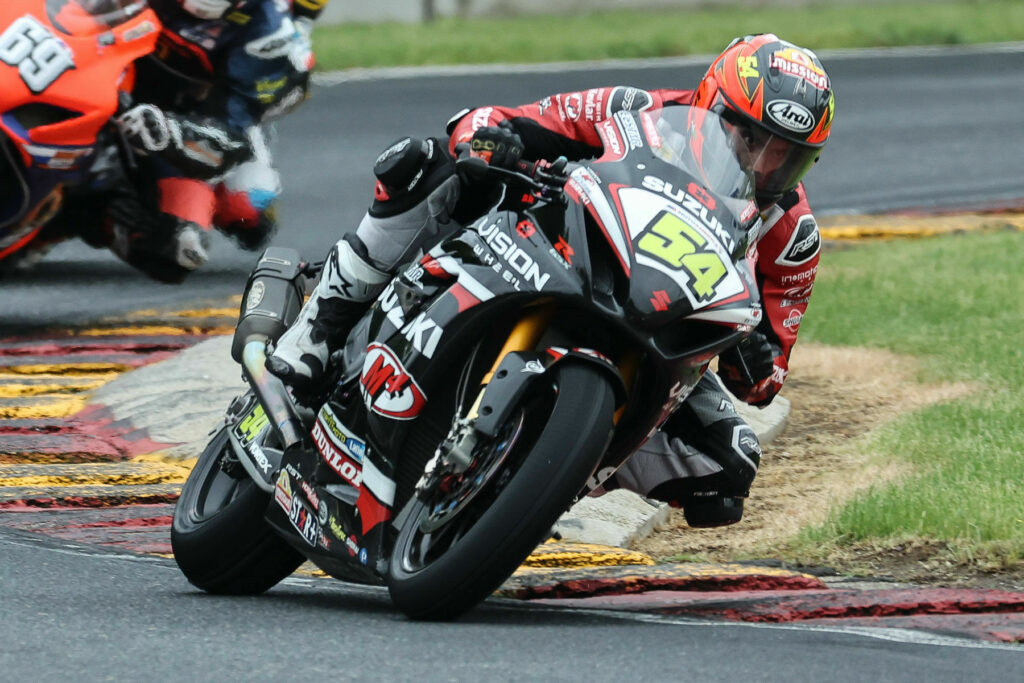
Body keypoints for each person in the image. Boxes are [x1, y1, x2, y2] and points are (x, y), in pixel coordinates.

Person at [268, 34, 836, 528]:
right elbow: (491, 122)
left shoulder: (793, 235)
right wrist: (499, 142)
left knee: (730, 459)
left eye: (786, 158)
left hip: (661, 324)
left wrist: (756, 358)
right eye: (751, 143)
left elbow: (768, 373)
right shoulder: (632, 110)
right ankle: (324, 320)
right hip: (558, 247)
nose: (763, 167)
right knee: (429, 163)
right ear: (712, 108)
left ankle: (538, 486)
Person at [44, 0, 326, 282]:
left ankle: (62, 222)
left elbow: (232, 135)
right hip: (97, 70)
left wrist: (174, 133)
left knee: (195, 239)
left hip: (184, 118)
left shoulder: (268, 37)